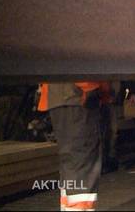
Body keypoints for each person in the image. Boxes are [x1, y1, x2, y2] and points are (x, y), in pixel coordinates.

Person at [38, 82, 112, 211]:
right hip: (77, 95)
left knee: (71, 162)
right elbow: (76, 62)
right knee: (81, 162)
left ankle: (71, 208)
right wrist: (89, 86)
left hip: (63, 96)